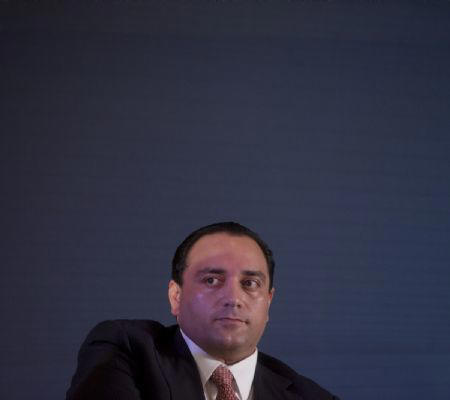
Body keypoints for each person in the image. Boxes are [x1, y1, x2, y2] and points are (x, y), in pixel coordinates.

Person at [66, 222, 339, 400]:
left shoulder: (310, 396)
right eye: (211, 280)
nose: (233, 298)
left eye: (250, 283)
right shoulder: (126, 350)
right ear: (176, 296)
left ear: (268, 302)